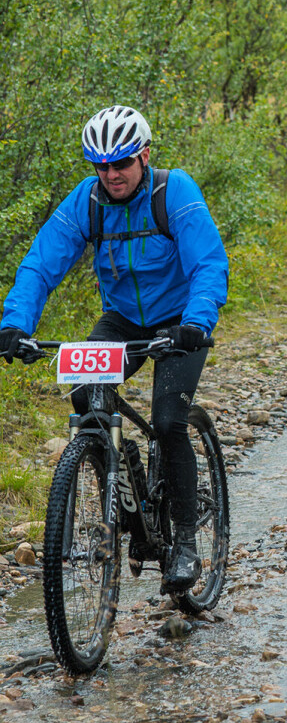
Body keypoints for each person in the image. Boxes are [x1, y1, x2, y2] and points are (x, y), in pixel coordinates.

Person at [0, 105, 229, 591]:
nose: (111, 174)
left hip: (179, 321)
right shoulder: (86, 201)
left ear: (143, 155)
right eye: (101, 165)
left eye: (121, 163)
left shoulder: (174, 191)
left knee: (168, 420)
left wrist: (196, 322)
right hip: (123, 319)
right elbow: (41, 265)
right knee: (86, 395)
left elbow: (208, 263)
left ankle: (186, 544)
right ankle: (129, 500)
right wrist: (15, 324)